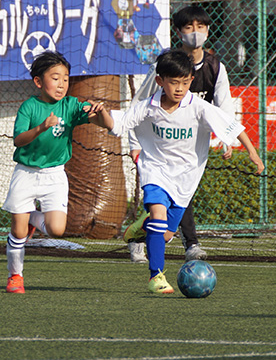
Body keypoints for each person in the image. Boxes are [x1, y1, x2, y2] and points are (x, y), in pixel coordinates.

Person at [103, 49, 263, 293]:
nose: (179, 88)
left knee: (166, 234)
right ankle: (156, 276)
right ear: (160, 81)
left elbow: (231, 125)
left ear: (190, 80)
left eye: (185, 82)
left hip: (186, 177)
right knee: (158, 216)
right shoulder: (147, 107)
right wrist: (99, 114)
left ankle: (141, 228)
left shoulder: (198, 106)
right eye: (174, 82)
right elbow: (118, 123)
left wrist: (251, 151)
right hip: (155, 170)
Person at [126, 5, 242, 263]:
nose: (195, 32)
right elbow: (139, 105)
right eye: (189, 27)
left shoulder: (215, 67)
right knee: (170, 192)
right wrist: (135, 143)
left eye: (200, 27)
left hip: (193, 143)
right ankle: (191, 243)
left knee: (181, 195)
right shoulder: (166, 66)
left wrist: (227, 138)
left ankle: (141, 234)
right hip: (162, 141)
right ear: (178, 32)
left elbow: (224, 106)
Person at [2, 51, 112, 294]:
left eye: (66, 78)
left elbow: (105, 124)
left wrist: (100, 111)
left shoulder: (71, 105)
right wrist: (41, 127)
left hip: (55, 175)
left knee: (57, 230)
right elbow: (18, 141)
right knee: (18, 233)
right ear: (39, 82)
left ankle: (32, 217)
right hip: (26, 174)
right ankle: (15, 277)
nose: (62, 84)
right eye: (55, 78)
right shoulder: (29, 107)